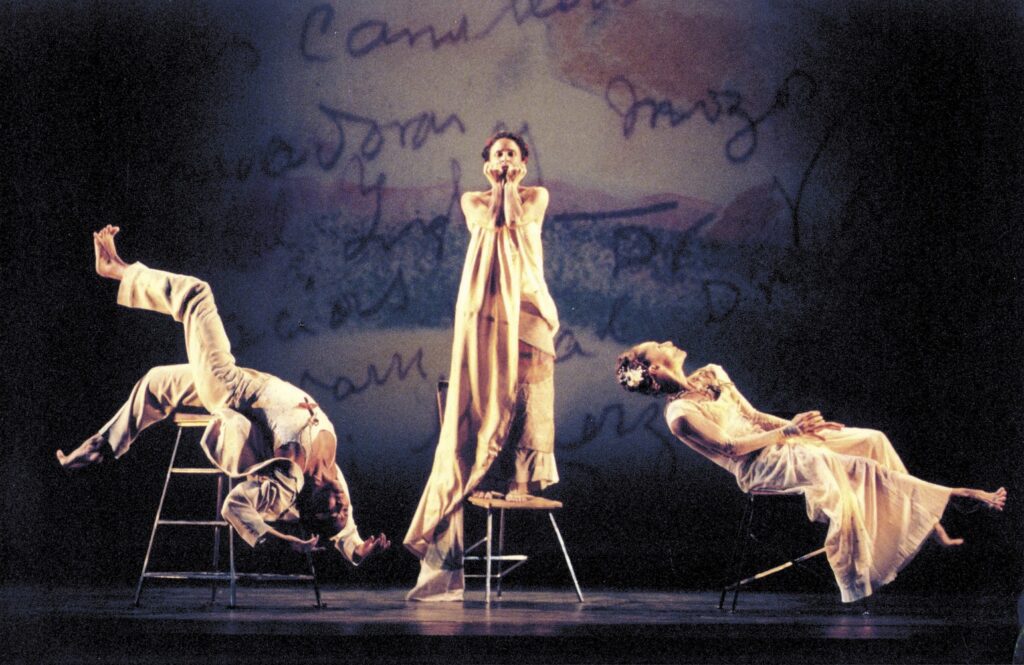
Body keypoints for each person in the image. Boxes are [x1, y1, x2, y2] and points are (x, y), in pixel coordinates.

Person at [58, 226, 390, 564]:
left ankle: (114, 268)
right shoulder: (330, 477)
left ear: (311, 504)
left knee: (196, 294)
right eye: (342, 510)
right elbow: (344, 525)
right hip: (248, 380)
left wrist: (281, 539)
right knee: (156, 382)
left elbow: (235, 506)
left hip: (230, 387)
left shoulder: (290, 480)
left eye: (332, 511)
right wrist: (357, 549)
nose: (342, 506)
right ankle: (104, 445)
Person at [615, 340, 1006, 602]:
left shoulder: (712, 374)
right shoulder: (680, 416)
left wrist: (800, 426)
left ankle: (933, 525)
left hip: (782, 440)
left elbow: (752, 417)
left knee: (872, 439)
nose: (668, 343)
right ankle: (954, 495)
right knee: (840, 465)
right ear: (653, 368)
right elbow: (732, 448)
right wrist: (790, 432)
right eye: (659, 347)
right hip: (758, 466)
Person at [404, 132, 560, 601]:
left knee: (530, 389)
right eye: (498, 154)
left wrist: (510, 186)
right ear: (486, 164)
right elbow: (491, 222)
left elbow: (515, 220)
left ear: (525, 163)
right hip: (485, 307)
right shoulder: (473, 199)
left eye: (513, 153)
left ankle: (520, 478)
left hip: (528, 303)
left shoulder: (535, 195)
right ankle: (477, 477)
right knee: (483, 390)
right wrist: (497, 188)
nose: (506, 158)